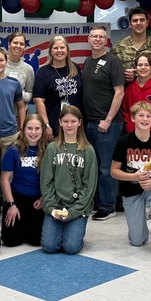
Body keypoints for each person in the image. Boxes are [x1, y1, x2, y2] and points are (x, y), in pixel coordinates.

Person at [112, 101, 151, 257]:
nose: (145, 119)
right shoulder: (123, 142)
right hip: (131, 191)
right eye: (141, 116)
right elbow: (114, 171)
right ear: (132, 118)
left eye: (148, 116)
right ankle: (141, 221)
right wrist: (134, 176)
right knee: (137, 241)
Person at [80, 26, 125, 220]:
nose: (97, 39)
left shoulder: (113, 62)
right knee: (93, 166)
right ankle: (97, 202)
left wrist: (107, 120)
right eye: (94, 36)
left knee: (106, 167)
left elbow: (119, 92)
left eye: (101, 37)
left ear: (106, 41)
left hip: (108, 124)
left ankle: (108, 206)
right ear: (89, 39)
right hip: (89, 124)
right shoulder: (88, 61)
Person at [40, 105, 98, 254]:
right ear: (60, 122)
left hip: (78, 207)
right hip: (56, 206)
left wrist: (73, 212)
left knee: (71, 248)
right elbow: (46, 182)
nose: (69, 125)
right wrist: (52, 208)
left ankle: (74, 230)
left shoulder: (88, 150)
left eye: (73, 121)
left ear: (79, 122)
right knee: (49, 246)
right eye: (65, 121)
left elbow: (89, 186)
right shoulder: (52, 148)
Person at [1, 115, 47, 247]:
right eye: (30, 128)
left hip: (38, 201)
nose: (33, 132)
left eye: (37, 128)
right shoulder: (13, 150)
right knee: (10, 241)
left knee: (36, 241)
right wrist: (11, 205)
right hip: (17, 200)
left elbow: (53, 178)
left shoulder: (48, 150)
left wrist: (45, 198)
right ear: (23, 129)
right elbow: (4, 179)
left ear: (42, 130)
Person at [33, 35, 81, 140]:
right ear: (50, 51)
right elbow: (38, 101)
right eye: (55, 48)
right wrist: (46, 125)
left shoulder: (75, 68)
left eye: (62, 47)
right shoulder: (43, 72)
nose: (59, 51)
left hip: (74, 125)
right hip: (53, 126)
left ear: (67, 50)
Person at [113, 7, 151, 83]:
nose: (138, 23)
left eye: (142, 20)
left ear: (147, 23)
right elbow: (112, 73)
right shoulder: (118, 47)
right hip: (127, 93)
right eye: (135, 20)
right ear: (130, 24)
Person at [0, 31, 34, 104]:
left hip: (19, 114)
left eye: (21, 44)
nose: (18, 46)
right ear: (9, 44)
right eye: (15, 43)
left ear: (24, 47)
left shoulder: (28, 69)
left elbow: (29, 94)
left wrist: (15, 92)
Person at [123, 54, 151, 135]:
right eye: (140, 65)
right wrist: (131, 129)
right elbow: (125, 111)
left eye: (146, 65)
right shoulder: (129, 88)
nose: (143, 68)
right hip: (133, 133)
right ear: (135, 68)